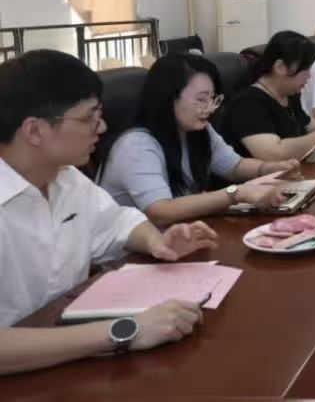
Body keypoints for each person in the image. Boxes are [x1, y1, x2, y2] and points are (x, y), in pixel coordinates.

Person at [0, 50, 218, 375]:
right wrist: (125, 331)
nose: (101, 127)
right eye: (88, 117)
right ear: (34, 131)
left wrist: (156, 242)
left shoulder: (67, 179)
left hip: (66, 360)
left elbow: (118, 222)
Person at [102, 54, 299, 225]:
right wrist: (236, 194)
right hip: (131, 251)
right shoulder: (136, 145)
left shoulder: (197, 128)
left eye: (213, 99)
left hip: (179, 235)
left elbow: (234, 166)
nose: (210, 108)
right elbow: (161, 211)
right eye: (201, 99)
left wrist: (268, 169)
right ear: (168, 98)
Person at [220, 31, 315, 160]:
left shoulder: (288, 93)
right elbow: (273, 153)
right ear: (280, 67)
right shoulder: (247, 104)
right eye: (305, 70)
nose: (309, 76)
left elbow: (307, 124)